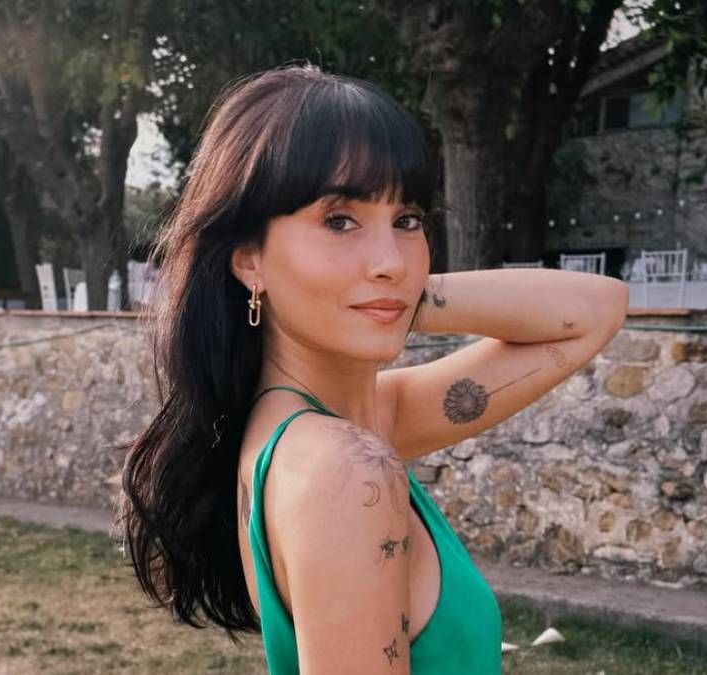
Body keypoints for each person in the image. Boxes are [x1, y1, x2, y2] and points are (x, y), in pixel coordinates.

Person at [116, 63, 629, 674]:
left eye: (407, 220)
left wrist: (393, 296)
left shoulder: (351, 421)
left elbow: (597, 309)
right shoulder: (347, 469)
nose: (391, 259)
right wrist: (380, 293)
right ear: (250, 258)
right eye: (339, 220)